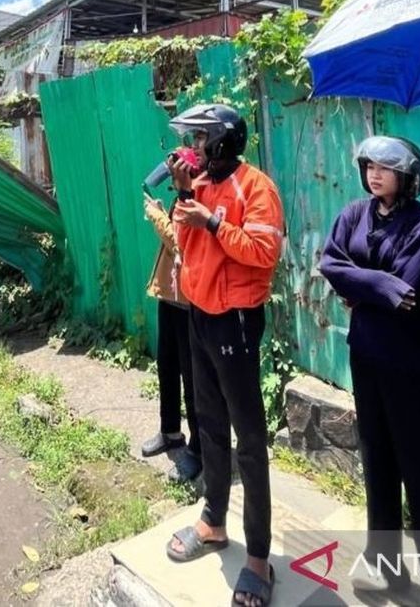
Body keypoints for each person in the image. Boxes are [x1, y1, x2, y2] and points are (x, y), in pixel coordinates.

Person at [319, 136, 420, 605]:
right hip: (366, 358)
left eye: (386, 168)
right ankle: (384, 569)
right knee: (379, 466)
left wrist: (363, 288)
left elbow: (409, 295)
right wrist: (378, 285)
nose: (375, 174)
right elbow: (330, 261)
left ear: (408, 175)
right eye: (369, 166)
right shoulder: (353, 213)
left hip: (413, 368)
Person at [160, 103, 284, 607]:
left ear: (226, 141)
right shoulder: (201, 186)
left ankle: (258, 557)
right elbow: (185, 246)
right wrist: (187, 195)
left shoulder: (257, 188)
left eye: (203, 139)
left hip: (235, 318)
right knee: (209, 423)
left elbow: (262, 252)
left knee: (248, 438)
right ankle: (213, 521)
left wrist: (211, 219)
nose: (196, 149)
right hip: (200, 316)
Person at [140, 185, 202, 482]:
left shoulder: (200, 196)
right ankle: (170, 432)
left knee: (192, 377)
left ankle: (198, 449)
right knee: (167, 367)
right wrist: (165, 213)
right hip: (170, 295)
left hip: (189, 301)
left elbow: (182, 244)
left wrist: (156, 217)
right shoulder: (182, 196)